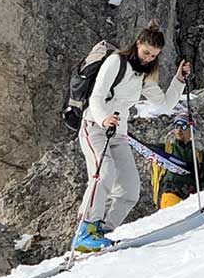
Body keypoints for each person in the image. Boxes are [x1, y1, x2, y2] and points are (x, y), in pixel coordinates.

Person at [74, 23, 191, 252]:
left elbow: (165, 103)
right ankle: (85, 230)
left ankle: (102, 231)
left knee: (130, 190)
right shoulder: (116, 62)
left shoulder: (144, 76)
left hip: (119, 134)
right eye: (146, 52)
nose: (148, 58)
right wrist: (104, 119)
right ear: (138, 43)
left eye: (154, 55)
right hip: (95, 127)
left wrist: (178, 79)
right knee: (103, 173)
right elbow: (97, 97)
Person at [149, 104, 204, 209]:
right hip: (171, 193)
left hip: (192, 198)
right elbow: (149, 149)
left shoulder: (200, 156)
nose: (179, 130)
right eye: (176, 126)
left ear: (191, 130)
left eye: (183, 126)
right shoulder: (166, 149)